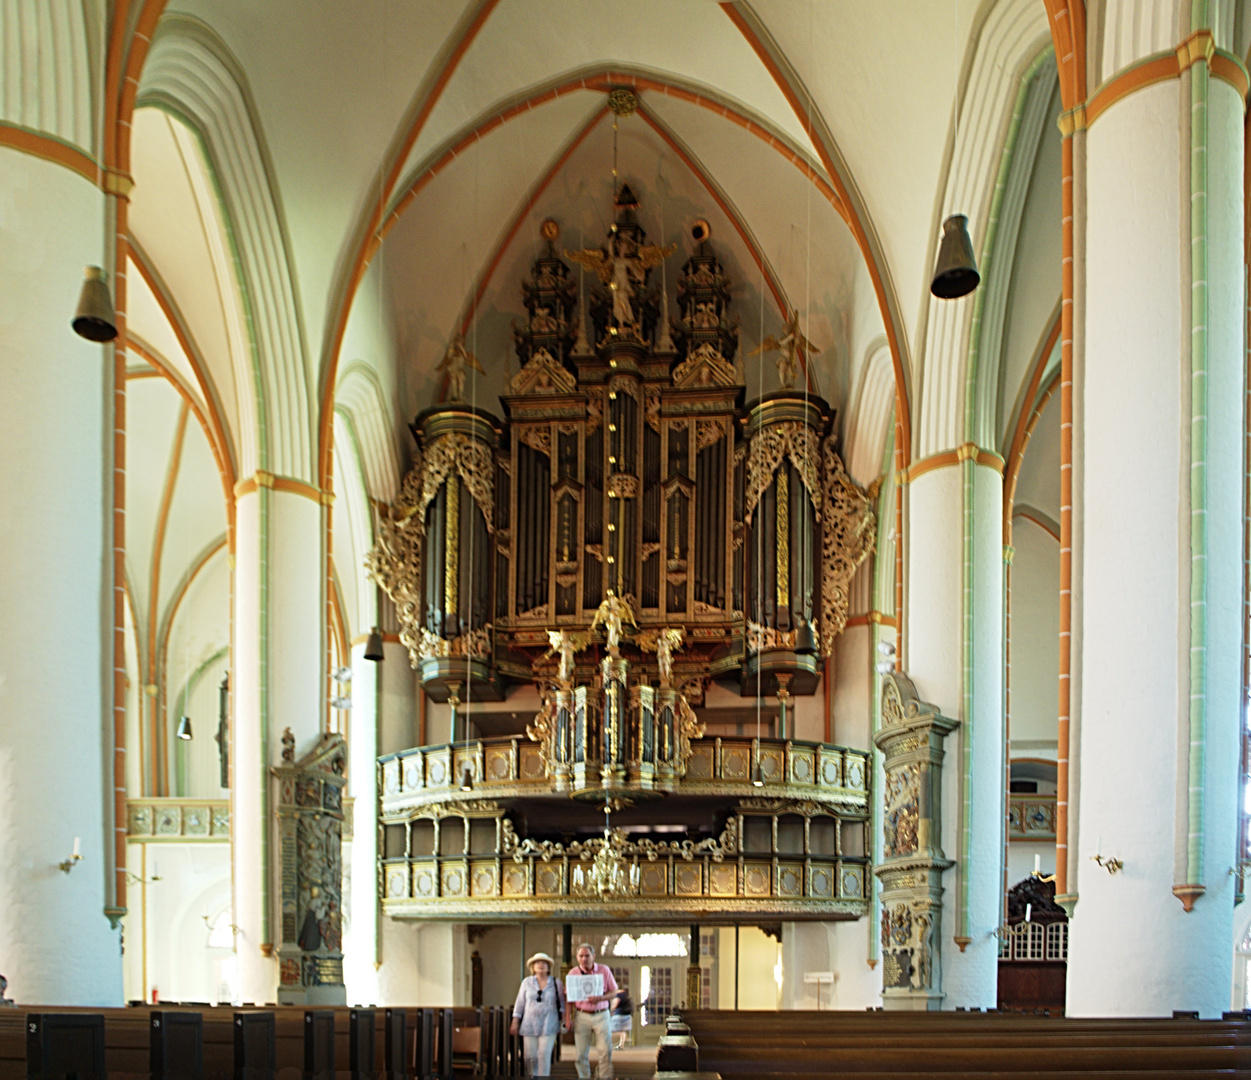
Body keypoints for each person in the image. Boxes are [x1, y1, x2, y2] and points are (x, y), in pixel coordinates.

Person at [564, 943, 618, 1079]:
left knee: (605, 1050)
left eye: (587, 956)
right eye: (581, 956)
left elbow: (614, 992)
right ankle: (585, 1077)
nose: (584, 959)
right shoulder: (573, 973)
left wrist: (600, 998)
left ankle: (604, 1077)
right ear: (577, 957)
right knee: (581, 1053)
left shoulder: (604, 970)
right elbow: (569, 999)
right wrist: (567, 1018)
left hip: (601, 1014)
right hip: (582, 1015)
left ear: (593, 956)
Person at [510, 951, 565, 1076]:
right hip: (530, 1023)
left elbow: (562, 1004)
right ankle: (532, 1076)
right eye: (537, 963)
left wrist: (564, 1020)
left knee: (544, 1055)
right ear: (533, 967)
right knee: (530, 1057)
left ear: (548, 967)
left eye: (544, 963)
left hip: (549, 1023)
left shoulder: (556, 983)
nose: (540, 965)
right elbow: (520, 1003)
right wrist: (515, 1021)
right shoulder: (526, 982)